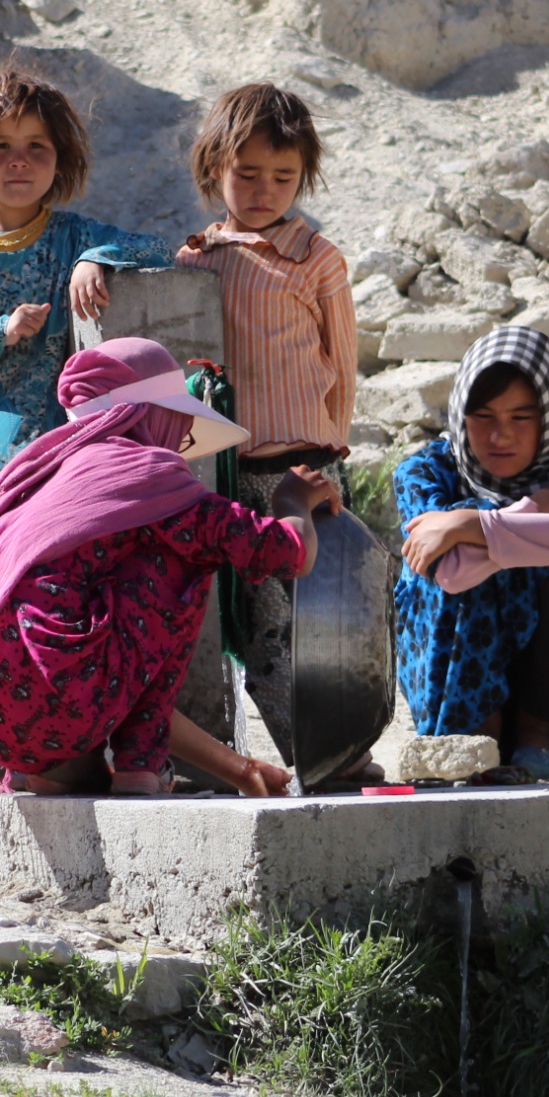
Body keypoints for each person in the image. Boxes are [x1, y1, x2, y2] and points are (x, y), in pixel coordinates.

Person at [0, 338, 335, 802]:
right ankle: (140, 767)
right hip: (62, 703)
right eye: (177, 417)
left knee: (80, 598)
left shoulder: (33, 476)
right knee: (185, 555)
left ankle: (45, 770)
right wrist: (294, 498)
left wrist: (238, 769)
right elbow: (287, 553)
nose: (184, 435)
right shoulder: (151, 480)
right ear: (150, 414)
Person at [0, 60, 179, 610]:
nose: (19, 161)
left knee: (32, 583)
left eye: (37, 146)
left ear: (61, 160)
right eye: (0, 146)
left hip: (42, 444)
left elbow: (158, 250)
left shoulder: (73, 234)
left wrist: (94, 258)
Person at [176, 83, 359, 769]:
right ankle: (304, 753)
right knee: (261, 630)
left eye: (282, 177)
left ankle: (337, 748)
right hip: (229, 475)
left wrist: (333, 451)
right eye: (246, 173)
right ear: (212, 169)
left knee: (325, 622)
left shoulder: (317, 259)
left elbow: (342, 364)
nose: (263, 189)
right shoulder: (195, 258)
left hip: (305, 467)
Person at [392, 328, 549, 780]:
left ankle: (533, 734)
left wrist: (468, 524)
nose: (499, 435)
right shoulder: (425, 472)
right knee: (502, 564)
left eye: (521, 417)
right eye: (482, 415)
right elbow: (452, 572)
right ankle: (478, 733)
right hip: (449, 689)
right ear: (459, 413)